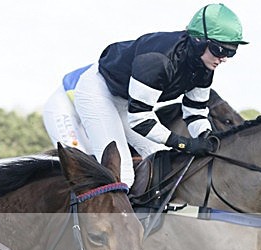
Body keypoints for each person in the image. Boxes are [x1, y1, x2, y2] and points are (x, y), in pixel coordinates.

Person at [51, 3, 247, 187]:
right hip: (98, 92)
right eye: (219, 49)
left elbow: (195, 112)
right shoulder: (158, 60)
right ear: (198, 41)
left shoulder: (204, 67)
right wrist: (184, 143)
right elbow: (140, 119)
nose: (223, 59)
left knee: (161, 159)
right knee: (122, 170)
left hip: (124, 101)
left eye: (231, 52)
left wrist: (206, 137)